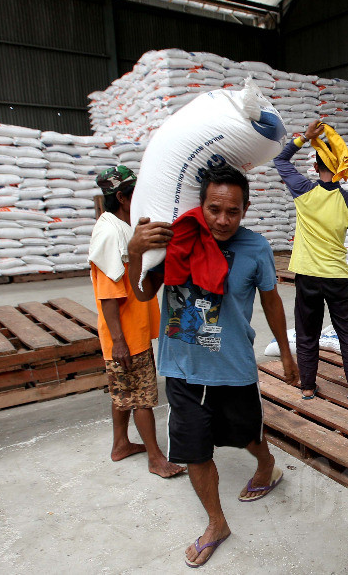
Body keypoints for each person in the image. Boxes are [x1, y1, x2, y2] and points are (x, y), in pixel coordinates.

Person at [127, 164, 299, 568]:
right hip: (183, 367)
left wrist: (287, 354)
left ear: (246, 209)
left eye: (233, 211)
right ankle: (216, 522)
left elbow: (272, 302)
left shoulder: (255, 248)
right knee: (194, 451)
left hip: (233, 367)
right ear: (200, 205)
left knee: (245, 436)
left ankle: (267, 464)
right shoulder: (176, 241)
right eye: (214, 208)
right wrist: (134, 252)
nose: (223, 219)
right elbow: (141, 293)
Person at [89, 166, 186, 479]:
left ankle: (121, 444)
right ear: (122, 197)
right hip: (126, 335)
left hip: (132, 330)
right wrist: (118, 340)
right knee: (142, 396)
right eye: (137, 194)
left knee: (124, 390)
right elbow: (107, 296)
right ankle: (156, 459)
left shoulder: (119, 226)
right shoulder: (108, 234)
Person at [274, 120, 348, 406]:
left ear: (317, 164)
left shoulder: (304, 190)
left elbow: (280, 160)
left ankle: (308, 387)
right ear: (340, 167)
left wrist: (302, 138)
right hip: (337, 277)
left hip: (307, 276)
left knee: (307, 333)